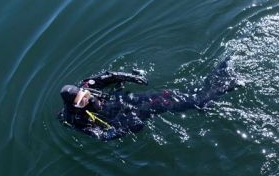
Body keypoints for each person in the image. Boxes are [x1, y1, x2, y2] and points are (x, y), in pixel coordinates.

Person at [59, 58, 239, 140]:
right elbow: (101, 135)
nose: (87, 98)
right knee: (161, 105)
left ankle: (207, 92)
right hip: (122, 117)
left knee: (167, 96)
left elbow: (111, 76)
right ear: (74, 105)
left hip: (124, 100)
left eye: (85, 94)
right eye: (81, 101)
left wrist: (132, 77)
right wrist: (125, 129)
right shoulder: (77, 119)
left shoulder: (88, 85)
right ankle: (209, 95)